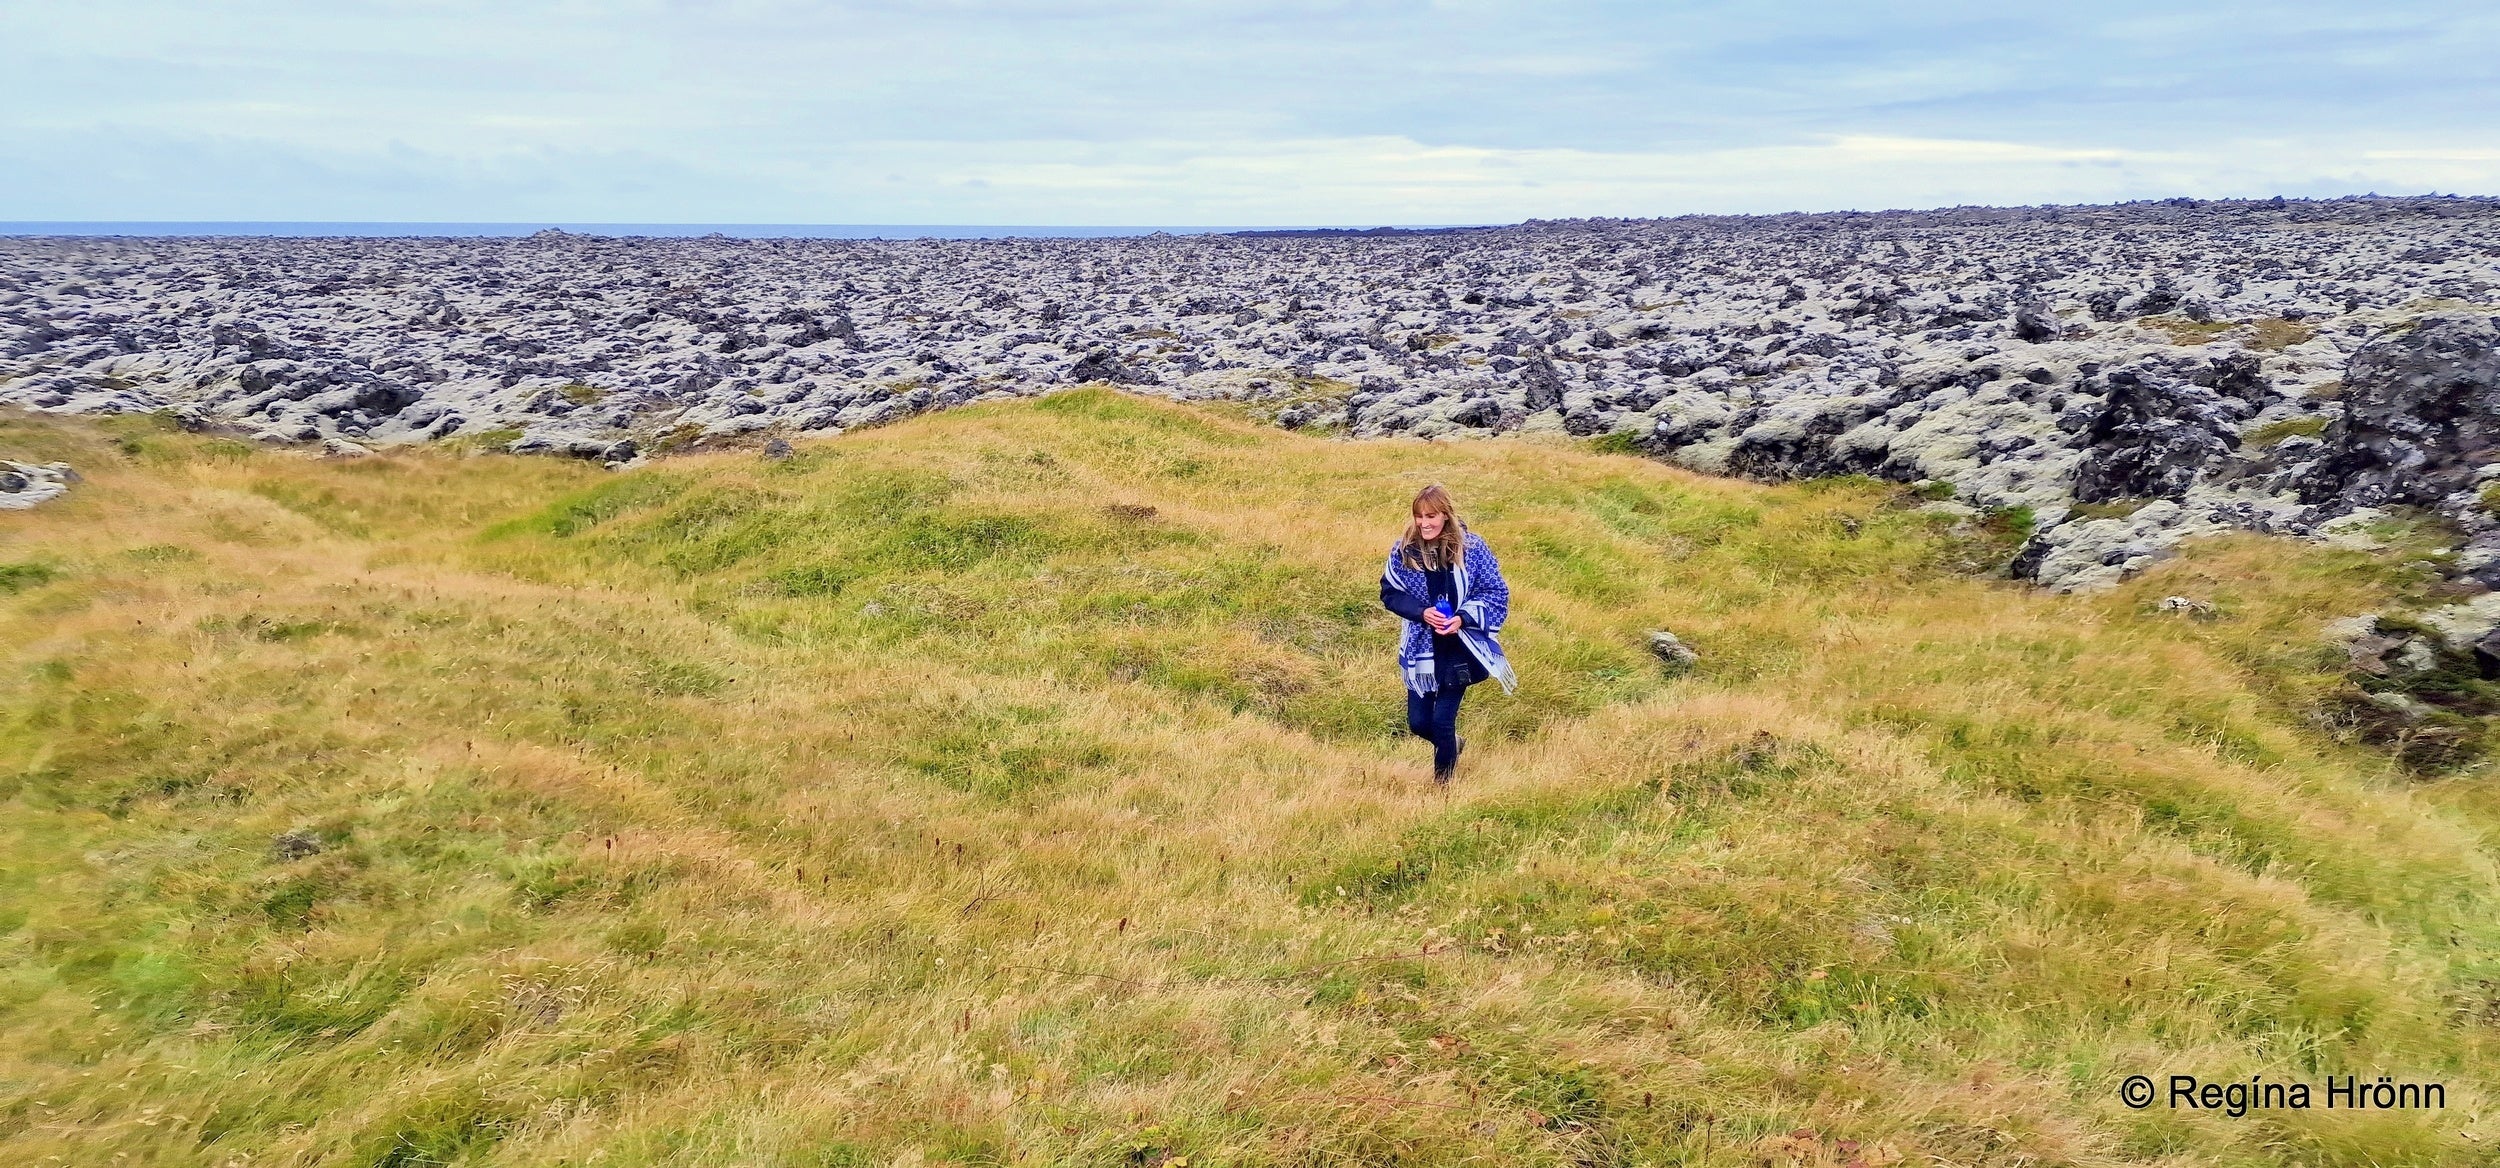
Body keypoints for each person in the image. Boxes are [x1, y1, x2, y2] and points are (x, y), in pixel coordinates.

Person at [1379, 484, 1517, 784]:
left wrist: (1463, 618)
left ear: (1446, 515)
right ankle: (1453, 745)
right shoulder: (1405, 550)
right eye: (1419, 516)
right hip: (1422, 650)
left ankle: (1442, 788)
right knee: (1418, 723)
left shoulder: (1472, 549)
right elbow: (1390, 592)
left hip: (1460, 650)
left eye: (1431, 515)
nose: (1424, 523)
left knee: (1442, 721)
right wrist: (1420, 612)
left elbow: (1495, 592)